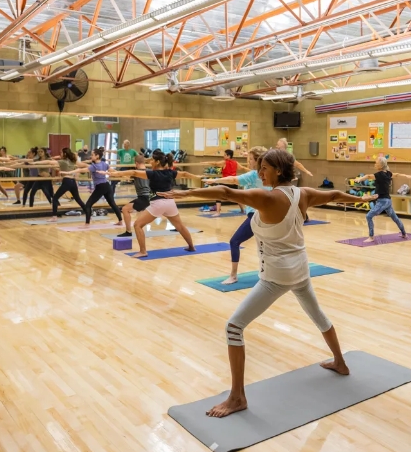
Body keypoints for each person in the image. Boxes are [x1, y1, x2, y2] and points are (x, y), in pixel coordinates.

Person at [159, 149, 376, 417]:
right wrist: (360, 198)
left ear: (279, 171)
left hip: (276, 276)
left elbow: (227, 193)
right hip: (300, 268)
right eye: (260, 167)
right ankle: (341, 363)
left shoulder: (268, 197)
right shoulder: (303, 193)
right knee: (318, 315)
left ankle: (237, 397)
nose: (260, 172)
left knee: (233, 327)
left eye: (264, 168)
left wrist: (186, 194)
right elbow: (333, 195)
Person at [106, 150, 203, 257]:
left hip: (158, 203)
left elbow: (134, 172)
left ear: (157, 162)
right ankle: (191, 246)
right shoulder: (171, 172)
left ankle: (143, 251)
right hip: (170, 203)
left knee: (138, 225)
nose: (150, 161)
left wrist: (115, 173)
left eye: (152, 160)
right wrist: (198, 177)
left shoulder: (152, 174)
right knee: (180, 226)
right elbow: (184, 174)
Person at [201, 146, 270, 284]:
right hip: (270, 215)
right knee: (267, 246)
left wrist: (214, 181)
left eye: (250, 159)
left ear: (257, 161)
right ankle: (270, 273)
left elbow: (233, 180)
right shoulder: (270, 175)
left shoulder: (253, 175)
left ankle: (233, 275)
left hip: (256, 217)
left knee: (234, 242)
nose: (248, 162)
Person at [355, 157, 411, 242]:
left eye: (376, 163)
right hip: (388, 201)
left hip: (382, 201)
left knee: (369, 216)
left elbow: (368, 176)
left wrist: (359, 179)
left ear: (381, 165)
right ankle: (404, 234)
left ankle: (371, 237)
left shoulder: (379, 175)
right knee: (395, 218)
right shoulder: (388, 173)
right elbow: (396, 174)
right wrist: (406, 175)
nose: (375, 164)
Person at [61, 148, 123, 227]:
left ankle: (87, 224)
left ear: (97, 156)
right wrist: (122, 174)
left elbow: (81, 170)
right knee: (112, 203)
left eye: (93, 155)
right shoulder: (104, 164)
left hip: (100, 187)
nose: (91, 156)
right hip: (107, 185)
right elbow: (113, 171)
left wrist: (69, 172)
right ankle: (120, 221)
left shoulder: (94, 166)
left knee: (88, 205)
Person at [41, 148, 87, 222]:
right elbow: (83, 164)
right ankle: (88, 213)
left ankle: (54, 217)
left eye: (61, 153)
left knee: (55, 198)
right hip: (73, 181)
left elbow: (49, 161)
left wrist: (35, 163)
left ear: (65, 154)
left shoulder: (62, 161)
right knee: (78, 199)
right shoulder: (72, 161)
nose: (60, 154)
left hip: (67, 181)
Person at [276, 138, 314, 222]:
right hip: (281, 180)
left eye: (278, 145)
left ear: (283, 146)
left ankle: (305, 217)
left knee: (293, 198)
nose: (276, 146)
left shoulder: (287, 155)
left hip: (289, 180)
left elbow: (297, 164)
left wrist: (306, 171)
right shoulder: (277, 155)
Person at [200, 149, 245, 216]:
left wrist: (204, 163)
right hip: (233, 181)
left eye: (224, 155)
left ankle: (218, 212)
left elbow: (215, 163)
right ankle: (242, 210)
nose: (223, 156)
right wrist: (253, 170)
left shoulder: (224, 162)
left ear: (228, 156)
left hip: (226, 181)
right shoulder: (236, 163)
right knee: (237, 197)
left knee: (218, 195)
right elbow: (242, 168)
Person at [116, 154, 151, 237]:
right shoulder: (150, 171)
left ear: (136, 163)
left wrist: (111, 172)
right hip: (150, 197)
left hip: (144, 198)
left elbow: (124, 175)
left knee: (125, 209)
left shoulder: (136, 172)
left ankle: (128, 231)